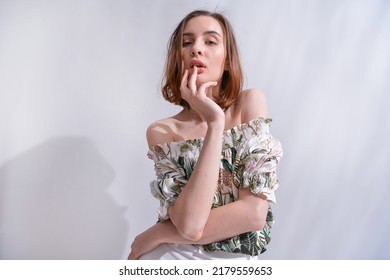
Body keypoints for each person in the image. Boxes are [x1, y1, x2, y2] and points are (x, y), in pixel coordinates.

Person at [128, 9, 283, 260]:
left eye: (210, 41)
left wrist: (157, 233)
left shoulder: (249, 104)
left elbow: (254, 215)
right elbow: (190, 226)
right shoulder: (163, 132)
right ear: (177, 58)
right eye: (186, 42)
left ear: (227, 60)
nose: (196, 49)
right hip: (170, 257)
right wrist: (214, 125)